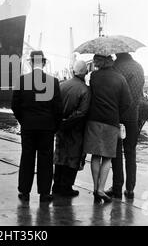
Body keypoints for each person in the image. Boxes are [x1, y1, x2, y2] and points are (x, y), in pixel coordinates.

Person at [11, 50, 63, 203]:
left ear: (31, 62)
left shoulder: (22, 80)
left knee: (27, 157)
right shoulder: (53, 82)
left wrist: (23, 121)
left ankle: (25, 191)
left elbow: (15, 105)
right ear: (44, 63)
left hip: (28, 126)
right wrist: (54, 126)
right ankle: (45, 193)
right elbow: (58, 109)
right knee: (46, 159)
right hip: (46, 127)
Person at [83, 55, 132, 203]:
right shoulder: (120, 78)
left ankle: (95, 187)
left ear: (98, 61)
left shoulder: (94, 76)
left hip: (94, 120)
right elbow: (127, 102)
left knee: (96, 156)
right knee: (107, 157)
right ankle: (101, 189)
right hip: (111, 121)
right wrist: (117, 112)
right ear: (111, 61)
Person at [105, 53, 145, 199]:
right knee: (131, 153)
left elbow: (113, 92)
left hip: (118, 116)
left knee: (116, 153)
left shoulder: (116, 67)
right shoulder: (139, 67)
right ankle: (130, 189)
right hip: (133, 117)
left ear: (118, 54)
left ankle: (117, 187)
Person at [53, 60, 91, 197]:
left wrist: (60, 123)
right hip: (76, 130)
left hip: (60, 128)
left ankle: (56, 185)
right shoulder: (85, 90)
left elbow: (54, 106)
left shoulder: (61, 85)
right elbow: (82, 113)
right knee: (73, 158)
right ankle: (66, 187)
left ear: (73, 71)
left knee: (59, 156)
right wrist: (68, 122)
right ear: (85, 73)